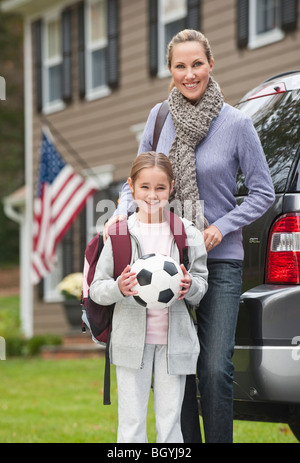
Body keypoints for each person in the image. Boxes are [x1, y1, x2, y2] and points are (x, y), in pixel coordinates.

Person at [105, 30, 275, 443]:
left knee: (215, 367)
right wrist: (121, 214)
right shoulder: (159, 118)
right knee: (174, 365)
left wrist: (221, 226)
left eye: (197, 63)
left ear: (211, 64)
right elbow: (137, 180)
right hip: (163, 260)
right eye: (180, 66)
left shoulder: (236, 124)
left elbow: (263, 192)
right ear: (171, 70)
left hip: (219, 262)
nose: (189, 73)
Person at [90, 151, 208, 443]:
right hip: (131, 344)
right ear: (131, 186)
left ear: (171, 188)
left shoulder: (187, 233)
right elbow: (96, 288)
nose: (152, 195)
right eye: (144, 187)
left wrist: (188, 286)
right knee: (131, 425)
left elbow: (202, 283)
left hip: (174, 345)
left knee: (170, 426)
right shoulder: (119, 234)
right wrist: (119, 287)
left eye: (160, 188)